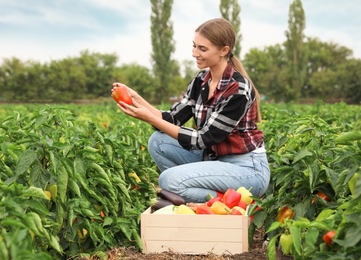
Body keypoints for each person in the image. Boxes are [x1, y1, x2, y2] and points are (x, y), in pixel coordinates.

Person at [111, 18, 270, 203]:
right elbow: (172, 119)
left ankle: (235, 201)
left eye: (202, 49)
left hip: (246, 169)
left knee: (169, 180)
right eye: (194, 46)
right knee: (158, 142)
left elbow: (203, 139)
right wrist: (137, 99)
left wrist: (150, 118)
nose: (195, 53)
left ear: (224, 50)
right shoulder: (201, 80)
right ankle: (196, 195)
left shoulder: (237, 89)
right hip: (215, 160)